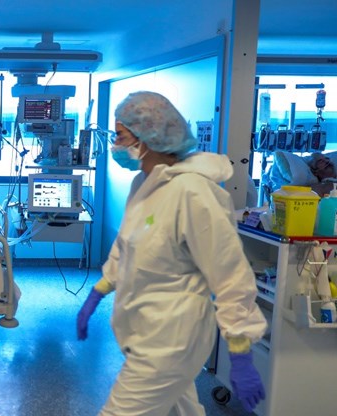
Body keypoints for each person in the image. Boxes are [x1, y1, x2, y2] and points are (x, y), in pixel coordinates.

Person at [76, 91, 268, 415]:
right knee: (182, 408)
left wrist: (240, 350)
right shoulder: (144, 184)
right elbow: (127, 246)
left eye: (120, 136)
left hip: (172, 336)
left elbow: (229, 273)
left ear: (148, 137)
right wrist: (98, 292)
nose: (114, 145)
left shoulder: (194, 192)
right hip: (144, 327)